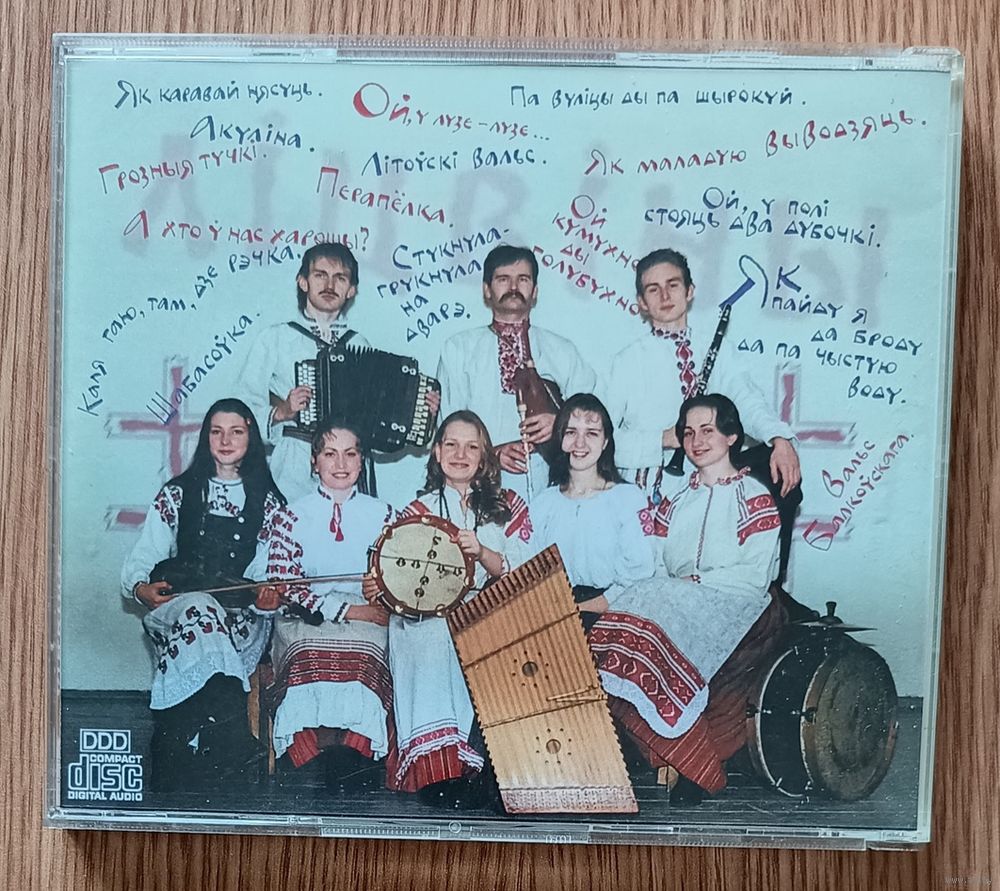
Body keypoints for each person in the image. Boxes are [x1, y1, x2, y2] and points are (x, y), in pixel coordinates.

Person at [595, 393, 786, 799]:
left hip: (738, 603)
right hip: (679, 599)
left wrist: (692, 584)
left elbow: (755, 576)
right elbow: (656, 566)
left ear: (731, 437)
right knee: (636, 606)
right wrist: (670, 588)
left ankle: (689, 760)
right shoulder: (676, 500)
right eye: (688, 433)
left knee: (653, 603)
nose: (697, 441)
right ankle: (678, 755)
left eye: (707, 430)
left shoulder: (754, 497)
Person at [121, 398, 286, 793]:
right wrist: (141, 588)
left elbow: (266, 567)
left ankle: (171, 745)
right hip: (180, 608)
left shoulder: (269, 501)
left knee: (206, 611)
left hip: (240, 619)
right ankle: (230, 738)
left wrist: (264, 594)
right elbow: (144, 554)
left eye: (236, 431)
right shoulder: (178, 493)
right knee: (199, 607)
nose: (225, 440)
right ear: (206, 437)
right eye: (217, 431)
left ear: (251, 437)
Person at [379, 410, 533, 806]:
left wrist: (481, 552)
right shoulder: (417, 510)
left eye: (471, 447)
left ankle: (484, 769)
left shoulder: (509, 504)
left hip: (491, 606)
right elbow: (396, 576)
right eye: (451, 444)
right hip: (427, 615)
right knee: (432, 635)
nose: (460, 455)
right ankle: (440, 771)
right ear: (436, 452)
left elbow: (522, 570)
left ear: (485, 456)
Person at [256, 418, 395, 788]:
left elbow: (396, 577)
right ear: (314, 461)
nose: (341, 464)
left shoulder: (384, 515)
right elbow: (288, 585)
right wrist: (351, 610)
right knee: (307, 652)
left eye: (350, 454)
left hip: (368, 618)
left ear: (362, 461)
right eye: (330, 454)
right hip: (306, 616)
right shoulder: (290, 516)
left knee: (366, 654)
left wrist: (379, 590)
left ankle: (355, 756)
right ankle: (309, 757)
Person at [603, 248, 800, 503]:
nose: (665, 296)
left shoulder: (720, 349)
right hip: (649, 492)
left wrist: (778, 437)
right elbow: (602, 441)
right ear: (641, 302)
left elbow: (748, 401)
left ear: (690, 291)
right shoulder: (626, 362)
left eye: (673, 285)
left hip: (713, 486)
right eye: (653, 289)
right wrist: (662, 439)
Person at [436, 245, 596, 499]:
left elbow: (594, 416)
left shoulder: (562, 350)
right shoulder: (459, 348)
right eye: (503, 279)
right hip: (478, 484)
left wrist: (561, 423)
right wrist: (492, 454)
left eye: (523, 279)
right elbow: (449, 426)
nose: (513, 287)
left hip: (554, 485)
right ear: (487, 290)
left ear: (535, 291)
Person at [237, 243, 371, 503]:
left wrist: (418, 410)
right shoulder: (275, 338)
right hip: (294, 463)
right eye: (320, 275)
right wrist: (282, 412)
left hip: (346, 466)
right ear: (303, 282)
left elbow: (373, 417)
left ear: (352, 290)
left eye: (340, 278)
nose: (329, 285)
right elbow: (240, 410)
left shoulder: (359, 345)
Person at [529, 393, 656, 632]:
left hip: (613, 616)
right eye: (571, 432)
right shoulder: (543, 503)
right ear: (560, 438)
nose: (580, 443)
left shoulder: (628, 499)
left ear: (605, 442)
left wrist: (579, 610)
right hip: (553, 616)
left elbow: (640, 574)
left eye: (591, 433)